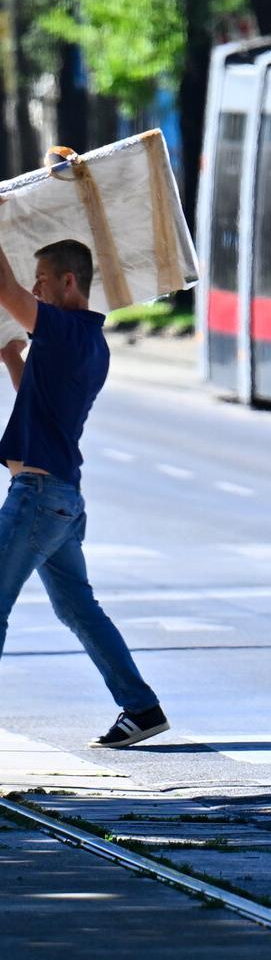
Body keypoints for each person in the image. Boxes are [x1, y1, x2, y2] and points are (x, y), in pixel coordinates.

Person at [0, 238, 169, 748]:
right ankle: (141, 708)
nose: (35, 290)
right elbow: (38, 395)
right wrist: (11, 356)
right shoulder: (87, 341)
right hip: (60, 500)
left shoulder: (65, 330)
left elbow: (6, 289)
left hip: (37, 497)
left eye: (42, 280)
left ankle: (139, 704)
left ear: (68, 281)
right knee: (77, 609)